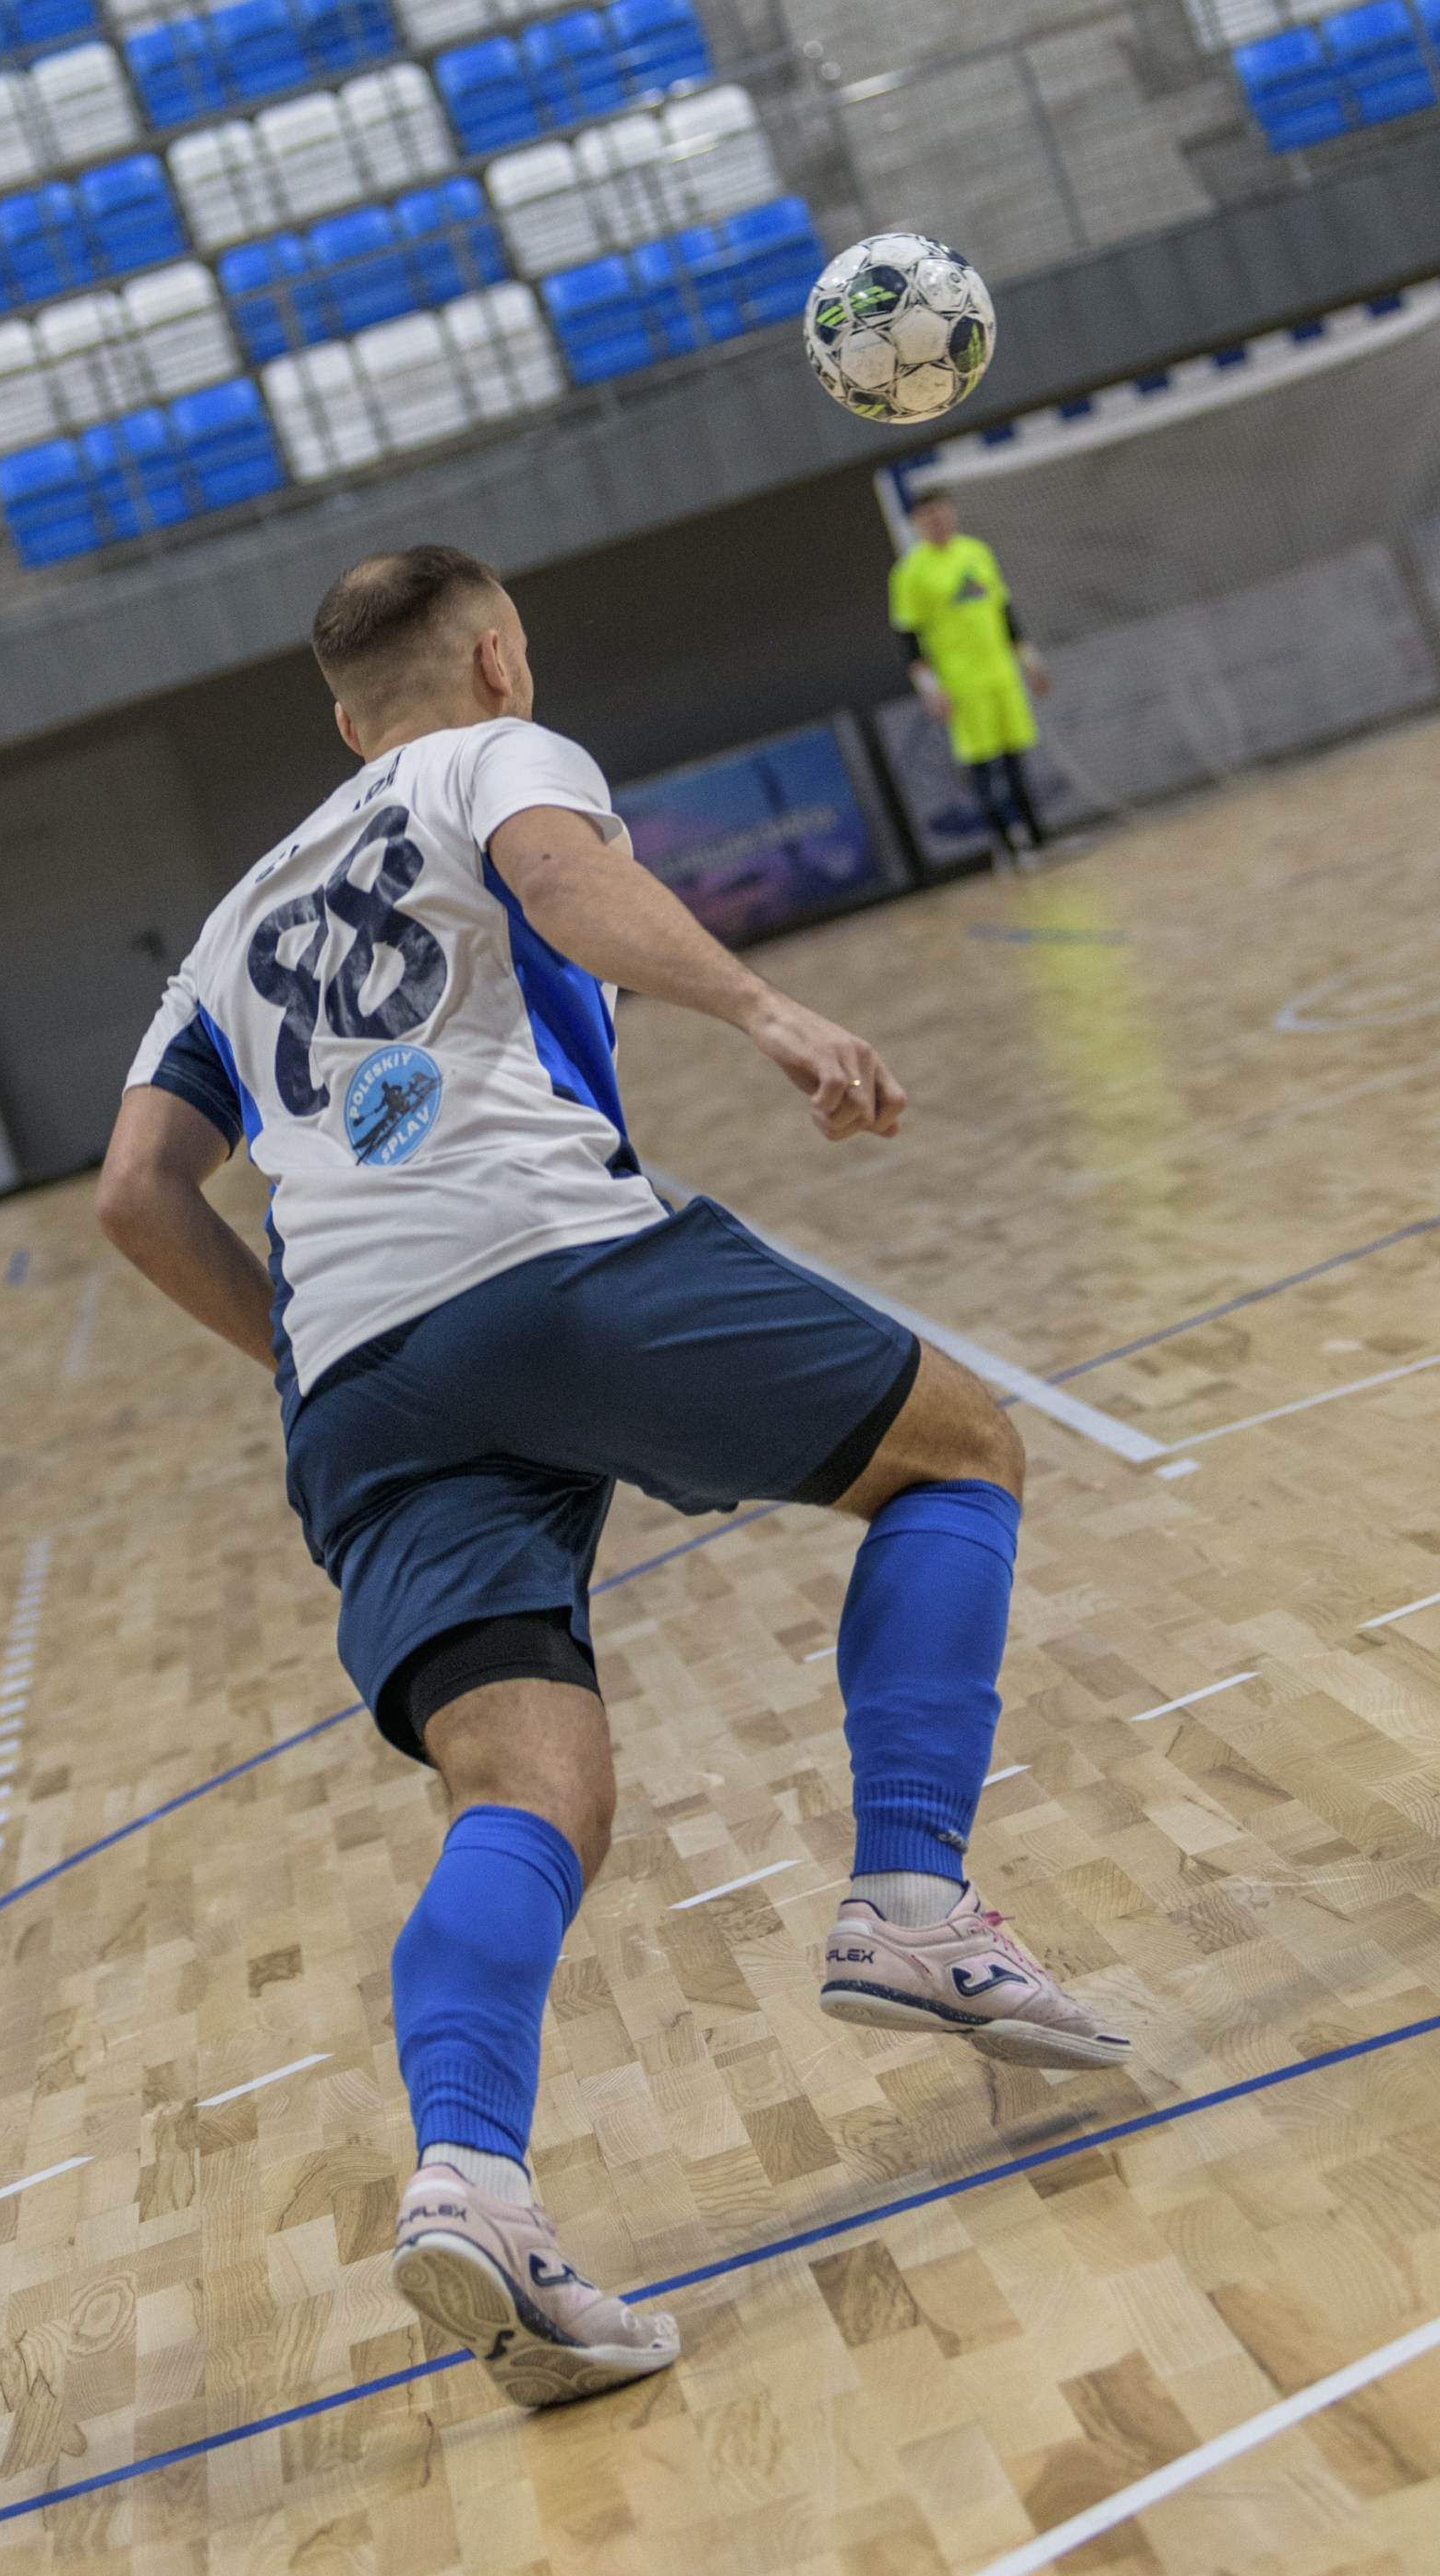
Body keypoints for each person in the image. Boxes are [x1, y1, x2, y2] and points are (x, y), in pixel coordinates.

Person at [97, 544, 1130, 2414]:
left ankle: (473, 2187)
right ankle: (908, 1898)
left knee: (523, 1792)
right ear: (492, 657)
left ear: (340, 719)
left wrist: (309, 1352)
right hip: (532, 1249)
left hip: (358, 1383)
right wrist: (769, 1017)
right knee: (956, 1450)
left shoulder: (231, 918)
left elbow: (133, 1195)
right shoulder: (491, 756)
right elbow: (567, 887)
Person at [890, 489, 1050, 860]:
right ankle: (1008, 849)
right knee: (983, 768)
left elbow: (1005, 613)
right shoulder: (910, 573)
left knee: (1016, 760)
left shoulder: (976, 552)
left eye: (941, 512)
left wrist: (1030, 662)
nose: (937, 520)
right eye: (927, 516)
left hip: (1001, 674)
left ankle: (1040, 841)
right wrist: (931, 689)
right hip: (962, 684)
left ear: (952, 513)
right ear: (916, 523)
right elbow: (910, 639)